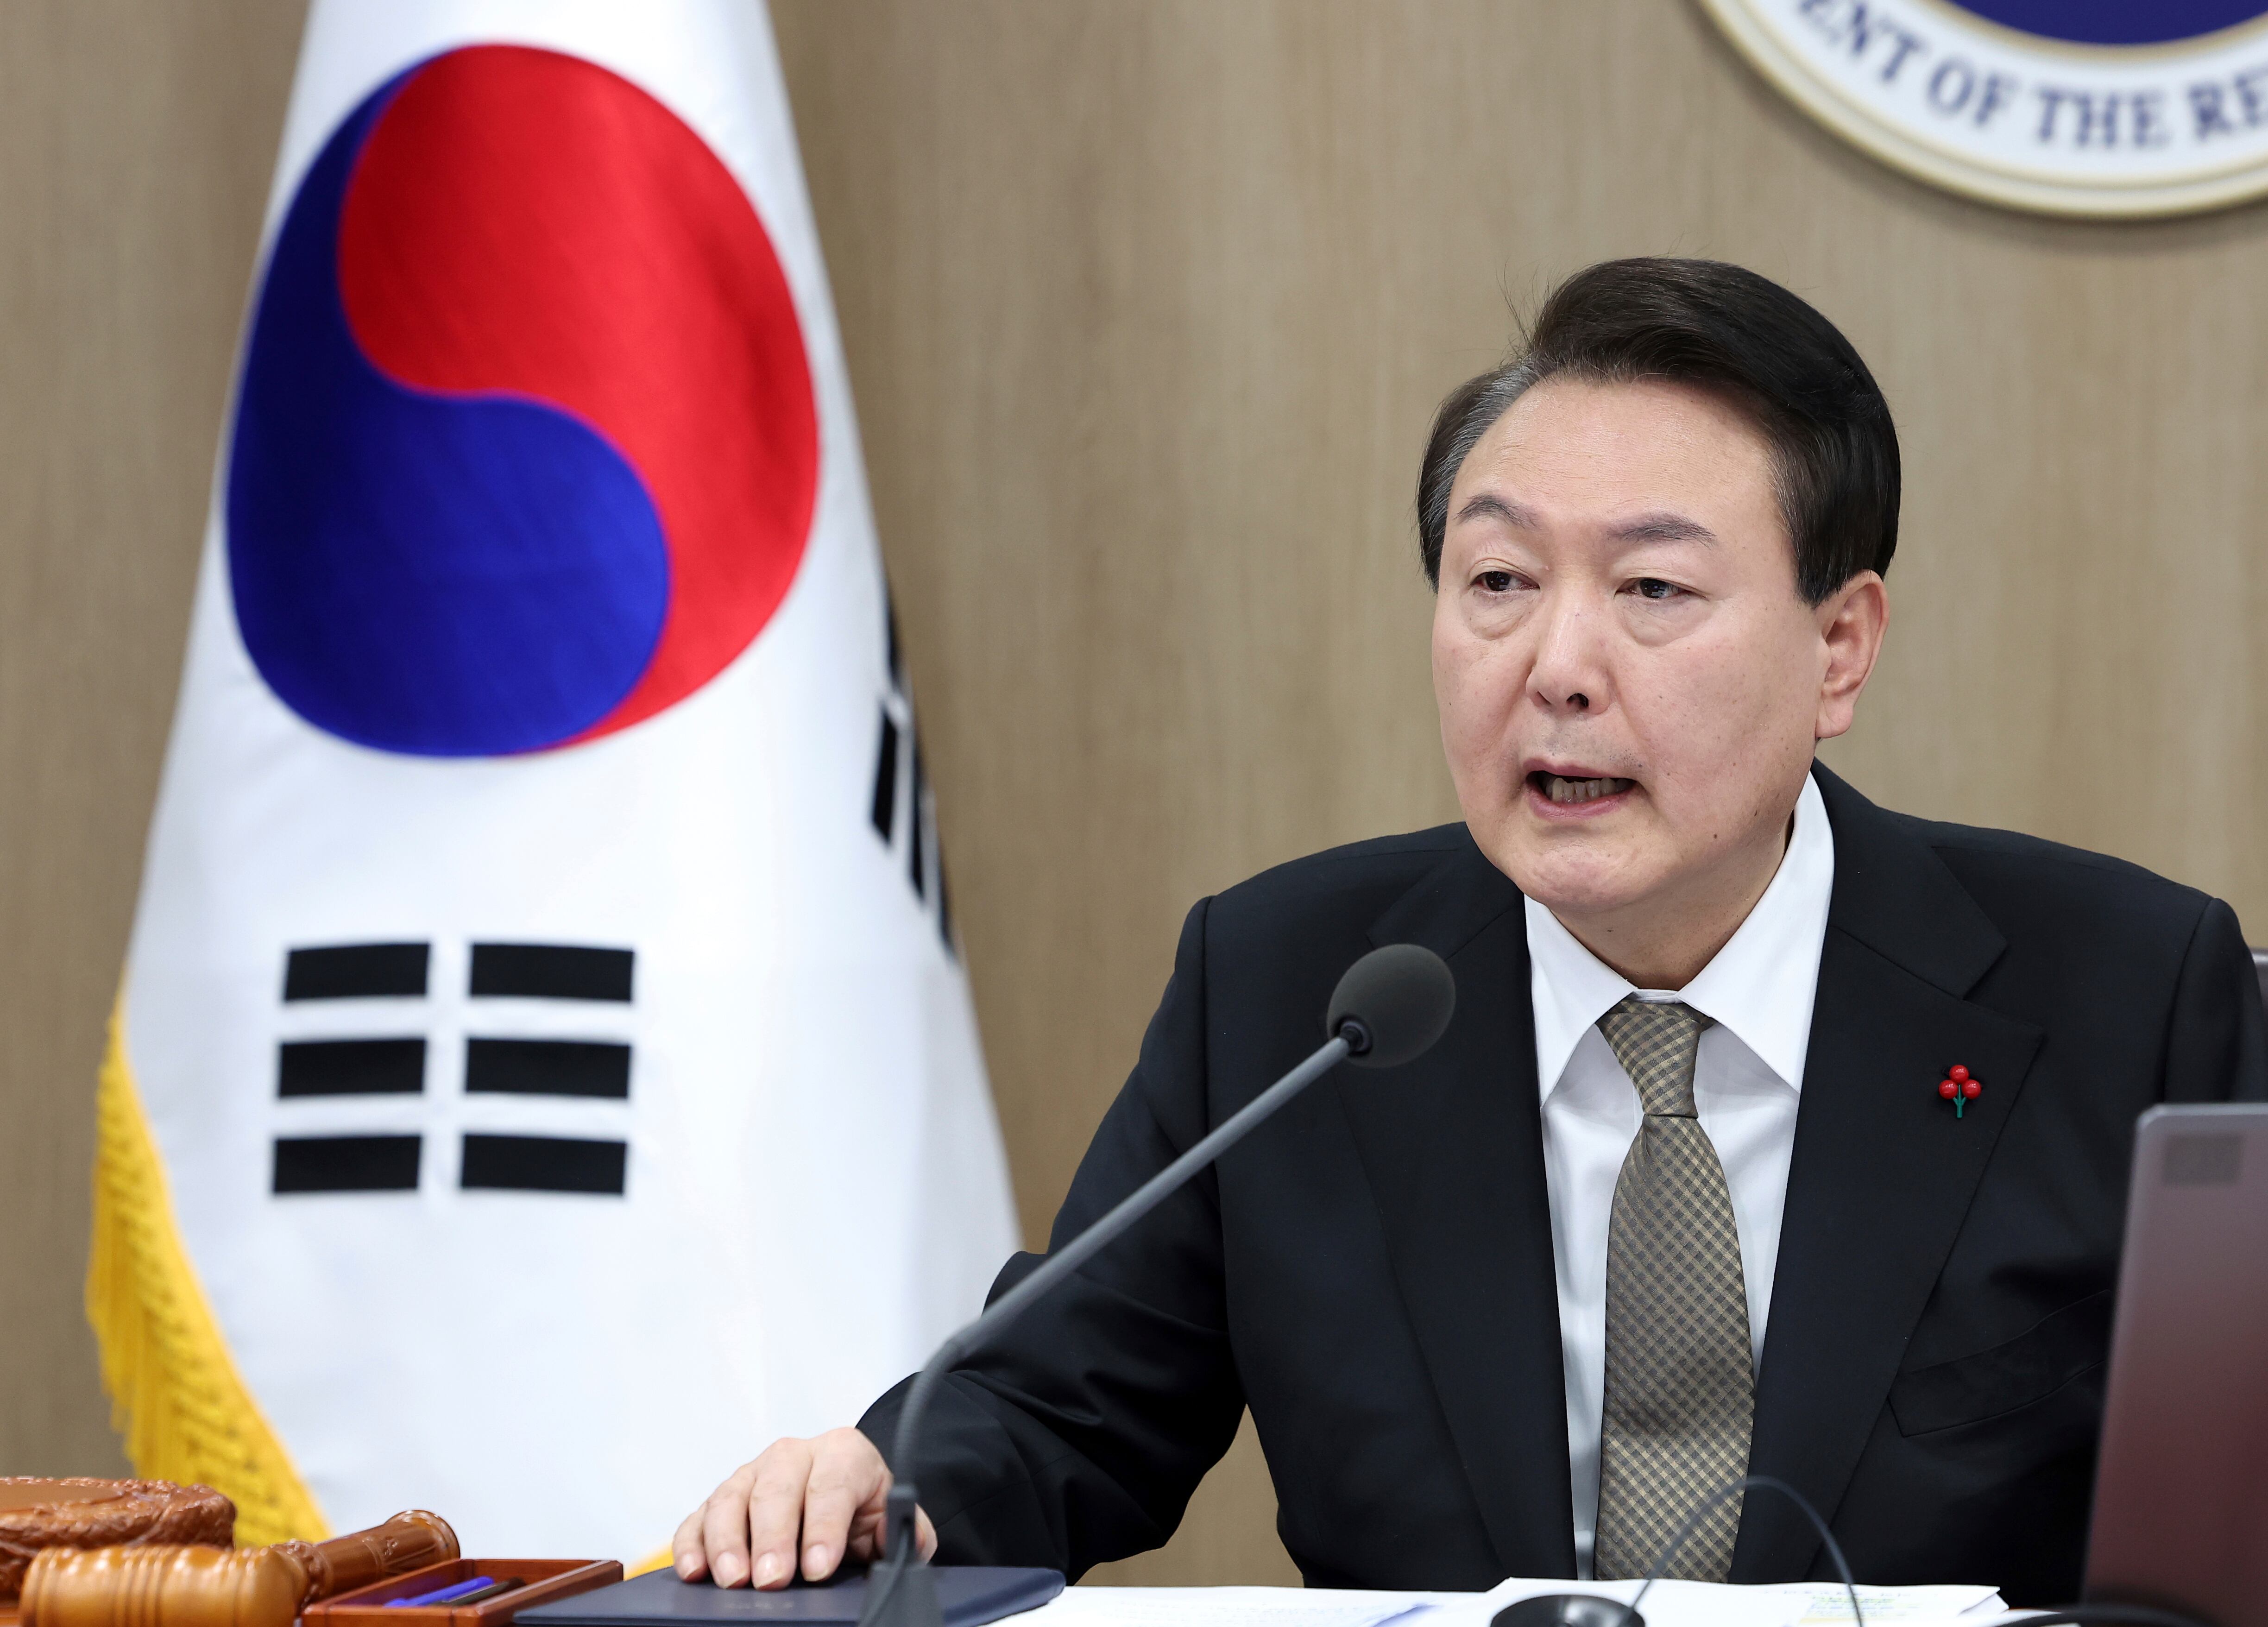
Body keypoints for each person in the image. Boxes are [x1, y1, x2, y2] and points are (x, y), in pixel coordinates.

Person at [673, 259, 2268, 1603]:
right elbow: (1061, 1409)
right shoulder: (1299, 989)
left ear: (1840, 649)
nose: (1557, 664)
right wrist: (891, 1491)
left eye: (1652, 591)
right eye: (1497, 579)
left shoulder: (2129, 992)